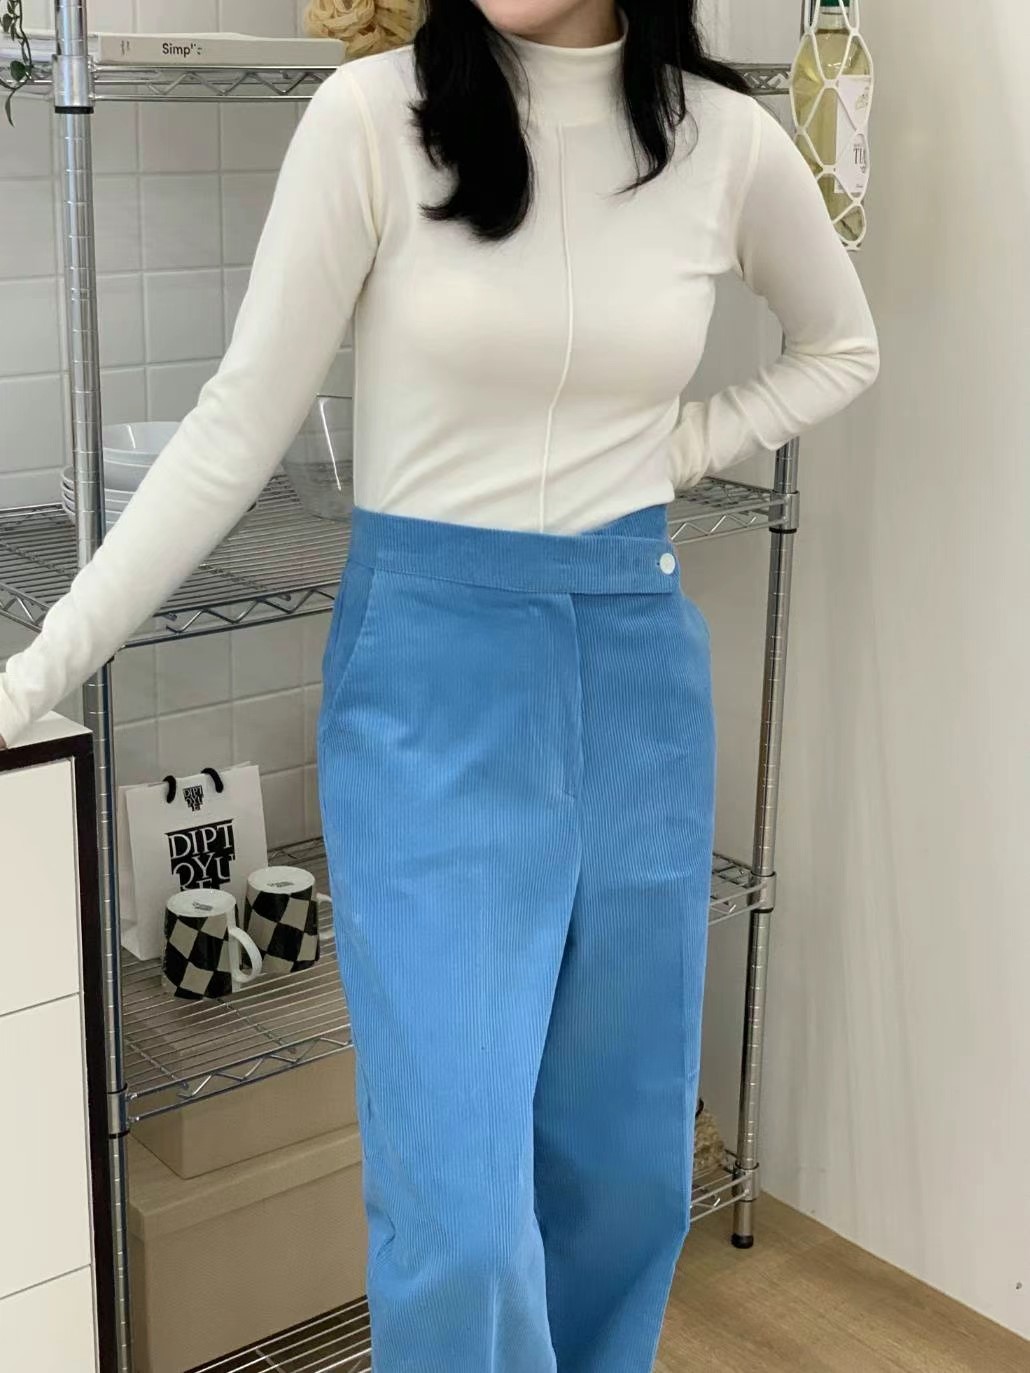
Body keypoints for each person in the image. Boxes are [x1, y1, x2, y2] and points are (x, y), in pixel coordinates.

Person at [0, 1, 878, 1367]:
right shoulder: (371, 117)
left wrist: (679, 447)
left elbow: (841, 346)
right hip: (428, 682)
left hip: (633, 677)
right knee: (459, 1208)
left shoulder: (726, 140)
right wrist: (34, 672)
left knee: (627, 1164)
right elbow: (235, 426)